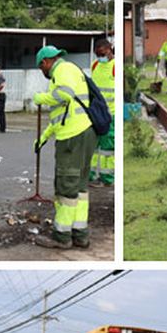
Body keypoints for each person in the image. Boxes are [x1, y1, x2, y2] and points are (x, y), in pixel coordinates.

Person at [32, 45, 98, 250]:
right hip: (84, 133)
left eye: (40, 67)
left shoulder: (62, 70)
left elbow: (65, 95)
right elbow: (61, 116)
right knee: (79, 187)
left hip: (72, 137)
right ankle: (80, 234)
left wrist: (41, 98)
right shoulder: (71, 69)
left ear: (45, 62)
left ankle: (62, 236)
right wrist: (44, 137)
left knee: (66, 187)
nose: (42, 72)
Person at [90, 38, 115, 186]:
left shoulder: (115, 66)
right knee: (92, 146)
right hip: (96, 113)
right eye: (98, 54)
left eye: (102, 54)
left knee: (107, 148)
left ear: (109, 50)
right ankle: (91, 176)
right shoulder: (95, 65)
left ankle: (107, 178)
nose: (100, 57)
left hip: (110, 114)